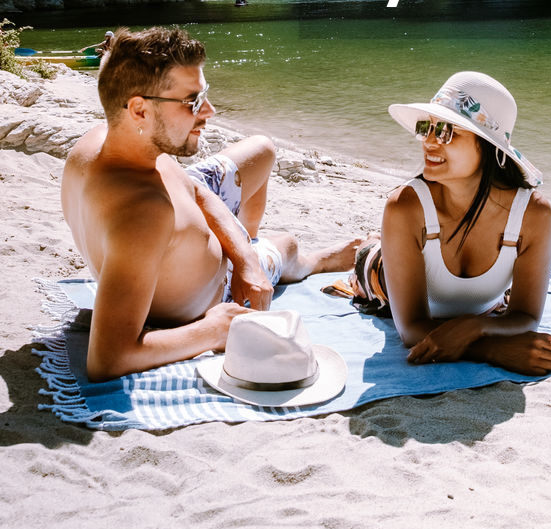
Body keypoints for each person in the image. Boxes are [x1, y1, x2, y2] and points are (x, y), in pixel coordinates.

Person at [61, 26, 360, 382]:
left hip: (193, 216)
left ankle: (249, 248)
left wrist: (245, 259)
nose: (210, 110)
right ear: (140, 110)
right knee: (287, 244)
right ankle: (309, 261)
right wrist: (214, 329)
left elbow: (196, 192)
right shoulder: (142, 214)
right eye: (192, 101)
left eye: (205, 93)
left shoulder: (106, 144)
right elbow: (108, 360)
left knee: (262, 150)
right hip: (217, 285)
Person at [379, 71, 551, 377]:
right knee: (368, 258)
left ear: (489, 147)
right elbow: (410, 328)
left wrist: (474, 325)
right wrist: (492, 348)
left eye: (448, 132)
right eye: (426, 128)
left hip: (475, 308)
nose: (429, 142)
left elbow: (527, 316)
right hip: (378, 276)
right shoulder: (404, 208)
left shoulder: (533, 215)